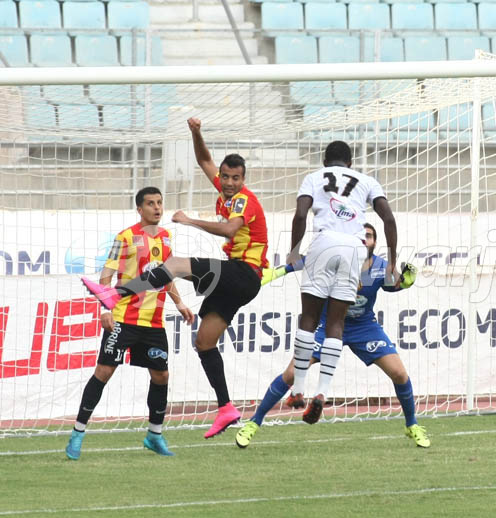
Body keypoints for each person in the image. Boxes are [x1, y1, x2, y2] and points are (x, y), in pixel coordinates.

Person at [81, 118, 269, 439]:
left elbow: (229, 229)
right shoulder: (224, 188)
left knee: (177, 263)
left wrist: (188, 220)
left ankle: (117, 294)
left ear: (243, 179)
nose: (227, 182)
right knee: (204, 342)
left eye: (235, 178)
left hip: (245, 273)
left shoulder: (243, 200)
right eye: (224, 177)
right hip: (238, 281)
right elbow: (204, 160)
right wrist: (197, 133)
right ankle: (226, 407)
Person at [235, 223, 430, 448]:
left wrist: (406, 280)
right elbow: (295, 264)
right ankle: (253, 423)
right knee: (291, 374)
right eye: (362, 235)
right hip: (328, 325)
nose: (365, 239)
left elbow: (395, 283)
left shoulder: (380, 267)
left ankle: (412, 425)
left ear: (375, 242)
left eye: (369, 236)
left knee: (399, 374)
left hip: (364, 327)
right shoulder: (331, 258)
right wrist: (270, 274)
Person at [66, 187, 194, 460]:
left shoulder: (166, 237)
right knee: (104, 372)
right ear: (139, 208)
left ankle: (154, 435)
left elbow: (166, 275)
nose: (157, 208)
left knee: (161, 376)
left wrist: (180, 303)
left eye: (160, 203)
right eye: (151, 203)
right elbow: (106, 275)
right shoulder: (125, 237)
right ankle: (77, 434)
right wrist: (105, 309)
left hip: (154, 322)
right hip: (124, 318)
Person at [285, 141, 398, 425]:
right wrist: (393, 261)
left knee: (309, 318)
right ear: (349, 163)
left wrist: (294, 251)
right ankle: (322, 393)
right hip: (353, 248)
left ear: (325, 161)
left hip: (323, 242)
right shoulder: (367, 180)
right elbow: (388, 217)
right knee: (336, 322)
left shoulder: (313, 178)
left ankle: (298, 388)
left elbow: (300, 214)